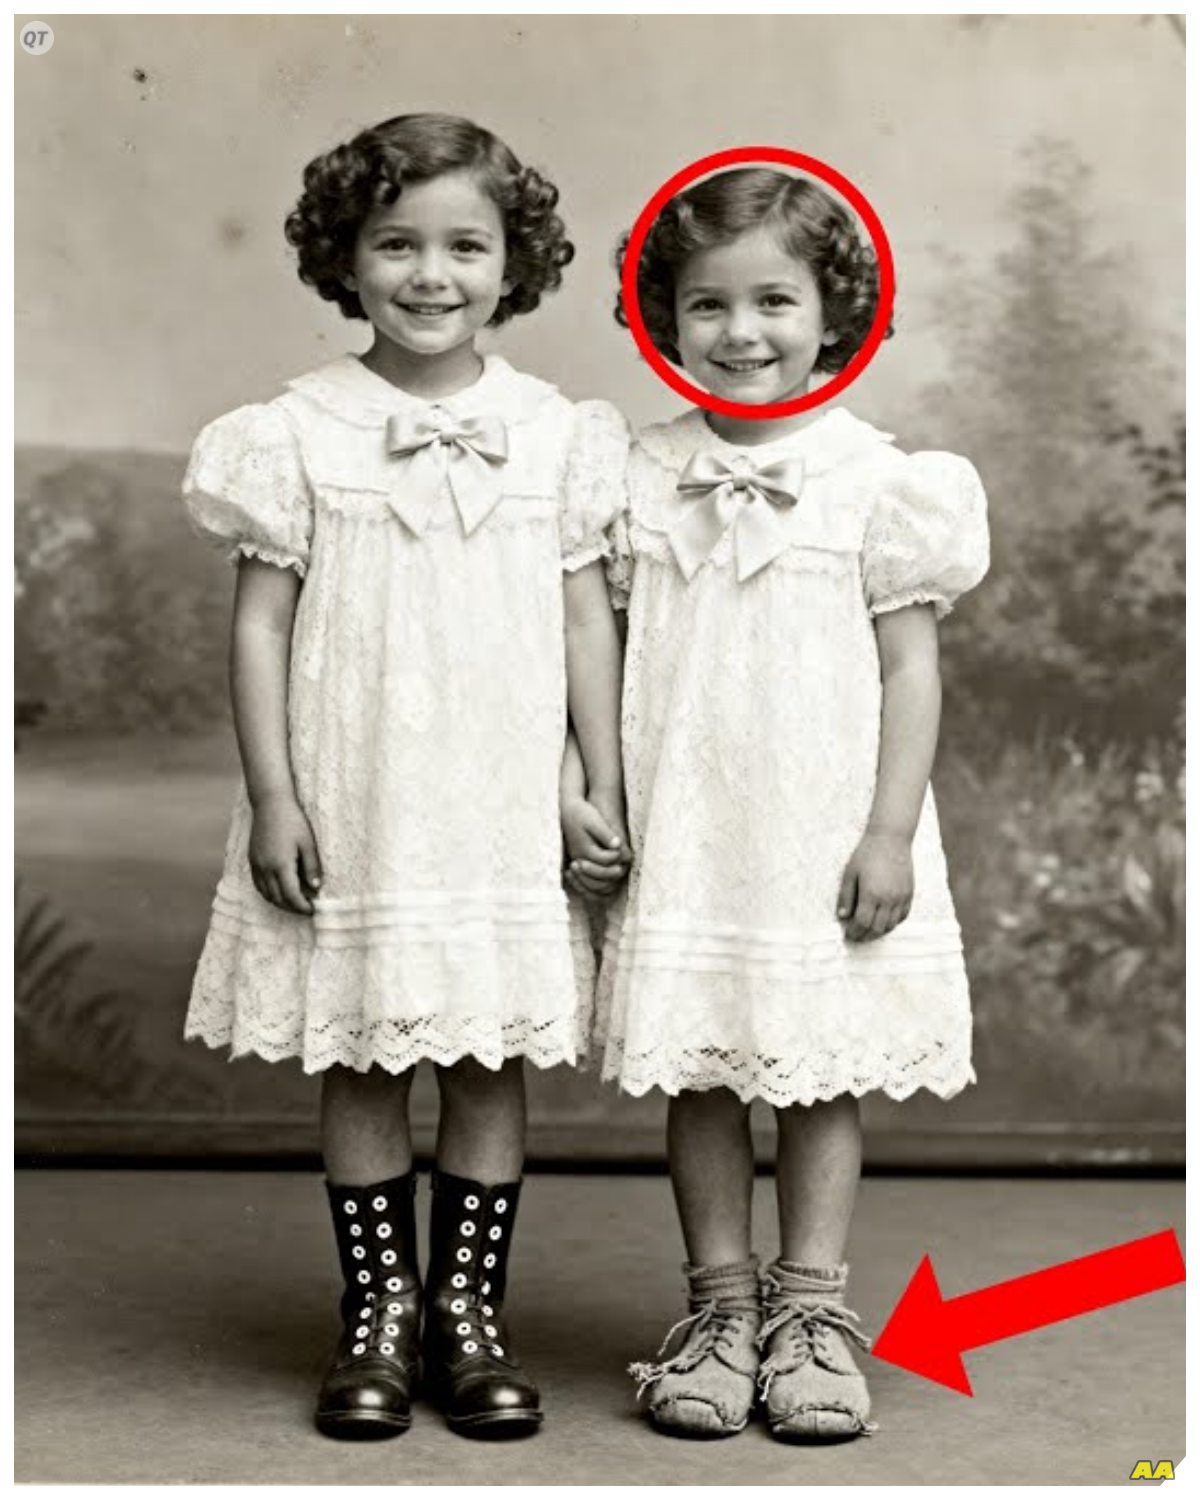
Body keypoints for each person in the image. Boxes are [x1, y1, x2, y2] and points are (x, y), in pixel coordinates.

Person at [182, 113, 628, 1441]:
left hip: (501, 795)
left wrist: (596, 780)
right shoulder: (296, 432)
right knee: (368, 1053)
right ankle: (377, 1311)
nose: (432, 275)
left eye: (465, 247)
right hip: (359, 789)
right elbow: (261, 629)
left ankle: (466, 1314)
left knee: (487, 1055)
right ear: (346, 257)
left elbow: (585, 622)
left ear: (513, 262)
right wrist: (277, 796)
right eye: (396, 244)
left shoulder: (555, 434)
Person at [569, 166, 988, 1442]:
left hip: (821, 824)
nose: (740, 332)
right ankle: (718, 1312)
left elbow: (910, 668)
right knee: (700, 1069)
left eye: (773, 302)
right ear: (664, 317)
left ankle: (810, 1316)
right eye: (707, 305)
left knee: (816, 1073)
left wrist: (887, 832)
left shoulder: (880, 480)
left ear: (832, 311)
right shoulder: (634, 473)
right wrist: (595, 790)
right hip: (692, 822)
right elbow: (595, 648)